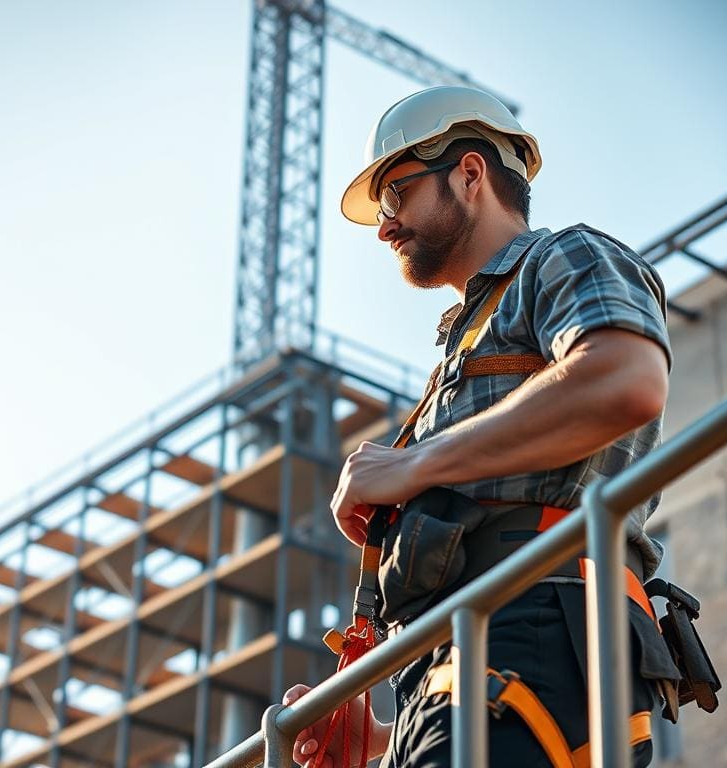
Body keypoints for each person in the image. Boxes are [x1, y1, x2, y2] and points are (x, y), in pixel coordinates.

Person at [283, 85, 681, 768]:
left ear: (469, 175)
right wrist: (388, 741)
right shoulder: (463, 350)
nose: (384, 226)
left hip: (531, 630)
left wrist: (412, 467)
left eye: (396, 194)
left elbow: (625, 377)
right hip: (470, 664)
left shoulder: (564, 256)